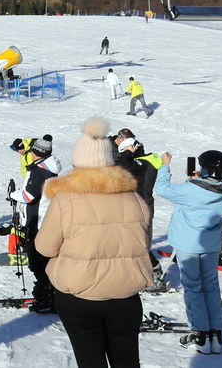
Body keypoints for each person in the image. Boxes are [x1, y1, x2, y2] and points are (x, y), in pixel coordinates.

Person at [35, 117, 152, 368]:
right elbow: (144, 244)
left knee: (90, 361)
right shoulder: (134, 198)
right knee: (128, 362)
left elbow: (44, 247)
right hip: (127, 296)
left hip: (79, 295)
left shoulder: (65, 199)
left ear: (78, 161)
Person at [155, 149, 222, 355]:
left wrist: (165, 166)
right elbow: (208, 189)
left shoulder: (189, 191)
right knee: (211, 286)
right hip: (210, 245)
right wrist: (200, 180)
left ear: (207, 169)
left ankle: (200, 335)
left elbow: (162, 189)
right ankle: (215, 335)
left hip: (188, 245)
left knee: (193, 288)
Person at [13, 136, 62, 315]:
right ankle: (48, 292)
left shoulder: (39, 171)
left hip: (37, 221)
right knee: (43, 260)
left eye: (32, 150)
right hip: (45, 219)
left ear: (37, 153)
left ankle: (49, 296)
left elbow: (29, 196)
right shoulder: (49, 168)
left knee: (37, 262)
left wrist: (13, 194)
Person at [113, 130, 164, 285]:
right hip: (136, 206)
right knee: (132, 243)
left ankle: (155, 273)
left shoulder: (142, 163)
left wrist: (128, 153)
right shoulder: (142, 162)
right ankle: (139, 272)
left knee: (140, 245)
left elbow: (121, 166)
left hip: (141, 208)